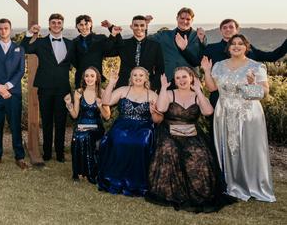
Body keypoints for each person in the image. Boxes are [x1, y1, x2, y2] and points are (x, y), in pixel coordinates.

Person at [201, 34, 275, 202]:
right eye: (233, 43)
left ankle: (252, 184)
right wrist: (206, 70)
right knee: (228, 148)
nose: (236, 46)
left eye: (240, 44)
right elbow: (212, 87)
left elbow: (264, 93)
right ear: (228, 47)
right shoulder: (219, 66)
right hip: (224, 112)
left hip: (248, 113)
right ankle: (229, 183)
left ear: (246, 47)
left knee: (249, 148)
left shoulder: (256, 66)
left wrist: (252, 84)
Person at [146, 68, 230, 212]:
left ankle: (197, 190)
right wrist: (164, 88)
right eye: (178, 78)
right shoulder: (171, 93)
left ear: (191, 78)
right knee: (168, 148)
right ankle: (170, 191)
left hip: (192, 132)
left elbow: (208, 111)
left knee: (199, 153)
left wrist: (198, 91)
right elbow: (161, 107)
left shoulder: (197, 96)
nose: (181, 80)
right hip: (169, 131)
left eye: (184, 77)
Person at [22, 13, 75, 162]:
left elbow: (78, 60)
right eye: (53, 22)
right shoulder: (40, 42)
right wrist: (30, 33)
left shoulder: (70, 44)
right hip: (45, 88)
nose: (56, 25)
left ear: (62, 25)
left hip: (63, 89)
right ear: (49, 25)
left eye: (59, 22)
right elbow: (24, 48)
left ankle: (59, 153)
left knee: (60, 122)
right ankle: (46, 152)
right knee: (46, 122)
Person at [97, 67, 158, 196]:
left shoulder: (152, 94)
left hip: (144, 126)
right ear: (131, 78)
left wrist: (154, 112)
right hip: (123, 124)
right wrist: (112, 83)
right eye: (135, 75)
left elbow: (158, 119)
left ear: (146, 78)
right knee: (118, 138)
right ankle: (115, 178)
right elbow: (106, 101)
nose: (138, 77)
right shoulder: (123, 90)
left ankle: (138, 181)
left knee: (142, 142)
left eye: (141, 75)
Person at [204, 18, 287, 109]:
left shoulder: (249, 49)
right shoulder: (211, 48)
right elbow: (197, 61)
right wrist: (201, 41)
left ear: (237, 30)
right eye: (224, 27)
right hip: (219, 102)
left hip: (246, 106)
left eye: (231, 27)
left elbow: (272, 56)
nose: (228, 29)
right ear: (221, 31)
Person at [0, 18, 27, 169]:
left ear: (10, 30)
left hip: (13, 93)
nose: (3, 31)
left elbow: (21, 70)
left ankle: (20, 157)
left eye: (6, 28)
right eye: (0, 28)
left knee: (15, 126)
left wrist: (8, 86)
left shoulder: (19, 49)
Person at [65, 67, 110, 183]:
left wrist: (100, 106)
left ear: (97, 78)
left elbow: (107, 116)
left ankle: (90, 173)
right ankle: (78, 172)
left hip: (96, 127)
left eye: (92, 76)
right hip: (81, 124)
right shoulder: (78, 92)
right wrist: (69, 104)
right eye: (86, 76)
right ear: (83, 78)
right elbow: (74, 115)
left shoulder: (103, 92)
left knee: (87, 136)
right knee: (78, 136)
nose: (89, 78)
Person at [102, 15, 165, 91]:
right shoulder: (124, 44)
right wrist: (113, 35)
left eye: (142, 25)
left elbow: (160, 69)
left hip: (147, 87)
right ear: (131, 26)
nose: (139, 28)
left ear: (146, 27)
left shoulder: (155, 46)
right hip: (124, 86)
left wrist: (153, 86)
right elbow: (106, 52)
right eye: (136, 25)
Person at [147, 7, 206, 81]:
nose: (184, 21)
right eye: (182, 18)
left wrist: (201, 41)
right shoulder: (164, 35)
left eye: (188, 19)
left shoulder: (199, 36)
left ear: (192, 20)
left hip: (191, 80)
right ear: (177, 18)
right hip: (168, 79)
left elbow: (201, 59)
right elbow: (145, 40)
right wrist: (144, 25)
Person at [71, 14, 119, 88]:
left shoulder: (100, 38)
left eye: (86, 24)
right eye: (81, 25)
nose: (84, 27)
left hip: (97, 78)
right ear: (77, 26)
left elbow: (109, 49)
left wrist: (112, 33)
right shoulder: (74, 42)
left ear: (91, 24)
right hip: (80, 80)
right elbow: (74, 61)